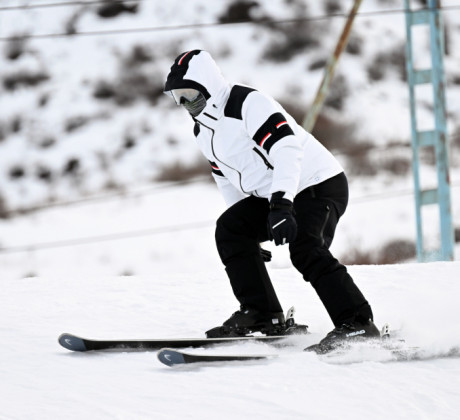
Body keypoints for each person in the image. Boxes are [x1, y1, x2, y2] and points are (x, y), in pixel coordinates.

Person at [164, 49, 380, 352]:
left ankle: (358, 323)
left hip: (317, 183)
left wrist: (281, 205)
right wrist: (249, 237)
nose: (186, 105)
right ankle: (263, 315)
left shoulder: (248, 104)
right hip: (275, 193)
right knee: (231, 229)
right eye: (178, 98)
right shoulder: (203, 130)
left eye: (190, 95)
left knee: (305, 248)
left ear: (208, 86)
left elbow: (287, 150)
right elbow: (225, 178)